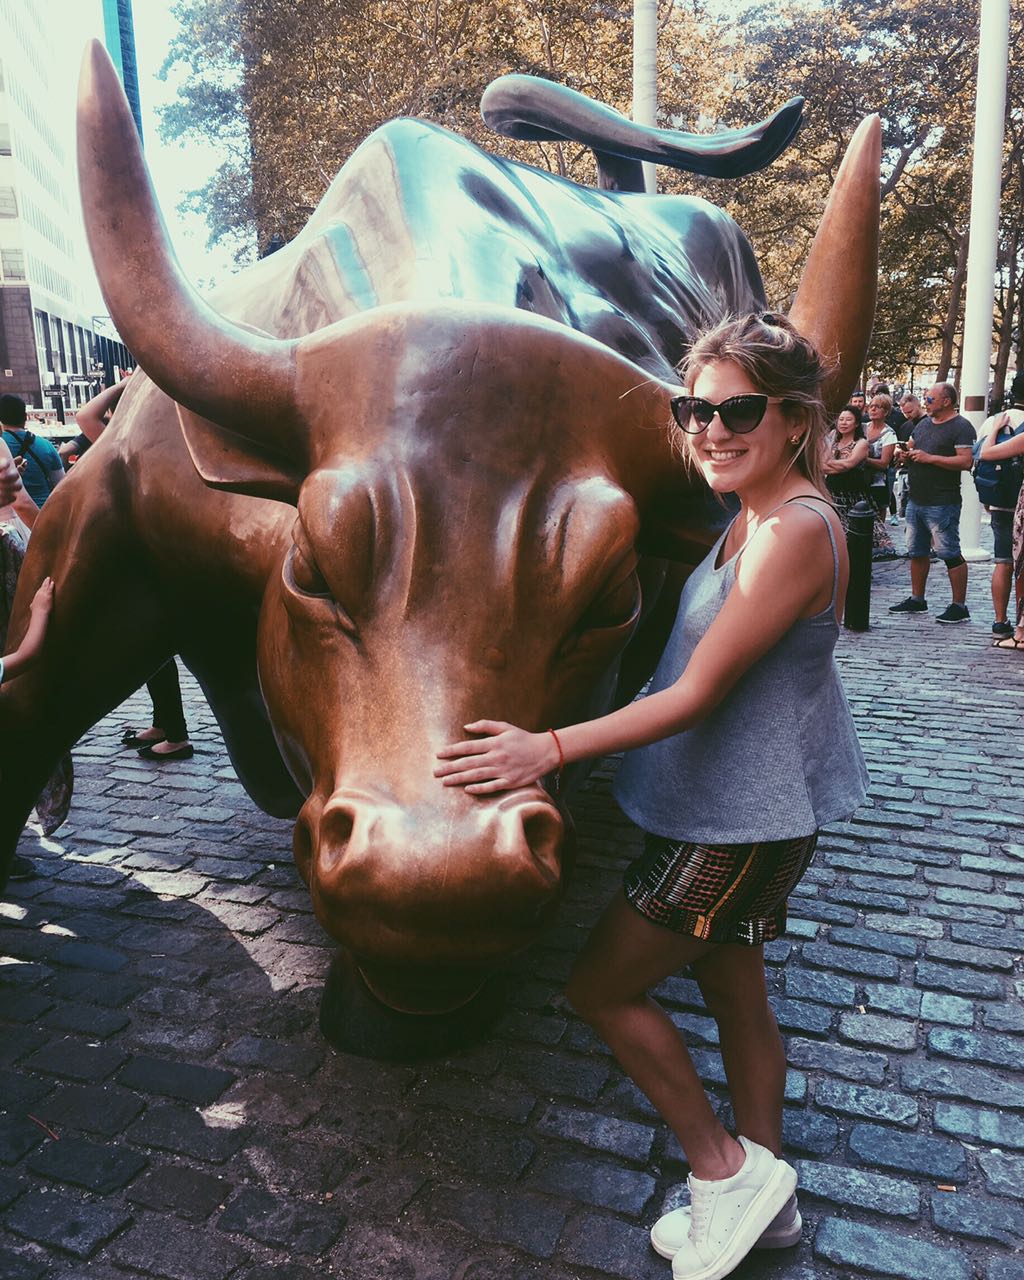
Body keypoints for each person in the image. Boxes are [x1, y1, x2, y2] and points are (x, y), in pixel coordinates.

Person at [436, 314, 868, 1280]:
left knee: (601, 986)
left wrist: (545, 748)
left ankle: (722, 1170)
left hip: (737, 826)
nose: (711, 429)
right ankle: (773, 1204)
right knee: (733, 988)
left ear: (796, 418)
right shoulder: (752, 512)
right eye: (694, 409)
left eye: (737, 410)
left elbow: (696, 692)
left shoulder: (794, 530)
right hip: (741, 809)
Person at [75, 376, 194, 760]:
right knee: (157, 649)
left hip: (154, 563)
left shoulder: (133, 445)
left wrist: (131, 383)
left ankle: (175, 733)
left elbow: (85, 416)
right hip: (157, 560)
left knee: (154, 645)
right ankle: (166, 724)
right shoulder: (168, 445)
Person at [889, 381, 975, 623]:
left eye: (929, 399)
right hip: (917, 497)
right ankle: (918, 599)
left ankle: (959, 605)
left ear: (946, 401)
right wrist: (905, 455)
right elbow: (913, 447)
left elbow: (966, 462)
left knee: (949, 552)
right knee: (916, 551)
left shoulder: (961, 426)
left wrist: (930, 458)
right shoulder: (924, 424)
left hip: (942, 499)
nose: (925, 403)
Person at [978, 377, 1024, 651]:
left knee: (1007, 562)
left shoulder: (1000, 419)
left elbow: (985, 453)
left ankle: (1006, 623)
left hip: (1005, 501)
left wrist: (996, 429)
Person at [0, 395, 64, 508]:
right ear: (25, 417)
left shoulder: (2, 446)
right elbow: (62, 485)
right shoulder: (46, 446)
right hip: (45, 512)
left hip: (10, 519)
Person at [863, 394, 898, 559]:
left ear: (886, 412)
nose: (873, 409)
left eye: (878, 407)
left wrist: (861, 459)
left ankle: (877, 549)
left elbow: (884, 463)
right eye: (871, 406)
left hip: (878, 482)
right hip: (858, 481)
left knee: (877, 515)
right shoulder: (862, 428)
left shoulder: (889, 434)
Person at [822, 405, 869, 527]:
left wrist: (830, 462)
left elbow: (849, 464)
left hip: (853, 494)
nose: (843, 423)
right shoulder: (832, 440)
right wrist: (839, 464)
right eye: (841, 419)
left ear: (857, 423)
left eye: (848, 420)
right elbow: (821, 465)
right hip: (831, 493)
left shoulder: (861, 443)